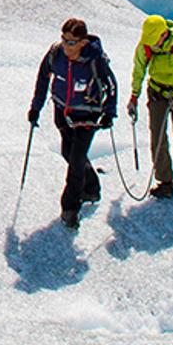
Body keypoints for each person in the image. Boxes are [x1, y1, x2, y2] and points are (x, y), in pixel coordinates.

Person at [28, 17, 118, 229]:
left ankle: (70, 208)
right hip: (62, 111)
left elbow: (111, 85)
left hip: (87, 114)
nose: (66, 46)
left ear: (83, 42)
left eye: (71, 42)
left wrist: (109, 112)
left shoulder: (95, 60)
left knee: (76, 159)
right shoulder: (55, 55)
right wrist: (35, 108)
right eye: (64, 39)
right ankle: (92, 186)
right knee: (68, 153)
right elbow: (42, 80)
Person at [127, 13, 173, 198]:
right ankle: (165, 181)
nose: (152, 44)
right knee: (158, 137)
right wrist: (134, 96)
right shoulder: (145, 46)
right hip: (158, 94)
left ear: (163, 34)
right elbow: (138, 70)